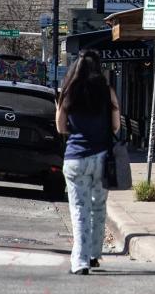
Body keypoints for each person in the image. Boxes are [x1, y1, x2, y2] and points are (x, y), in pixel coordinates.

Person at [56, 49, 120, 275]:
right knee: (98, 206)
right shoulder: (106, 92)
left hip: (75, 158)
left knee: (79, 209)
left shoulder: (68, 92)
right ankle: (94, 254)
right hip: (102, 157)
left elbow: (60, 127)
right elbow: (115, 126)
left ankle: (80, 260)